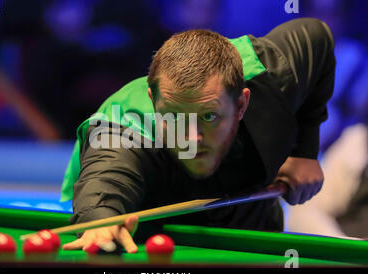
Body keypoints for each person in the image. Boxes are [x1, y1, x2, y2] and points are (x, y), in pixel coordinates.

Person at [61, 18, 336, 253]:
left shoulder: (272, 73)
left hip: (252, 234)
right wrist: (102, 220)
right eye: (176, 118)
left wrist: (304, 151)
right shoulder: (122, 128)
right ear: (153, 99)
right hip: (161, 252)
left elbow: (317, 36)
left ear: (241, 104)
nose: (191, 139)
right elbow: (105, 181)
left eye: (208, 116)